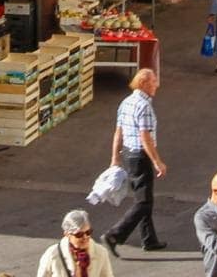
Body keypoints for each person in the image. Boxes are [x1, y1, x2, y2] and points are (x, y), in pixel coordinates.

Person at [102, 69, 168, 254]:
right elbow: (145, 137)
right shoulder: (144, 106)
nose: (157, 85)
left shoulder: (126, 102)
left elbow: (118, 132)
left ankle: (149, 239)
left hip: (128, 154)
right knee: (143, 202)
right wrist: (157, 161)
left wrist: (115, 157)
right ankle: (114, 235)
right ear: (143, 83)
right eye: (153, 81)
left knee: (143, 198)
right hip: (140, 156)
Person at [38, 209, 117, 277]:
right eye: (79, 234)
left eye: (88, 232)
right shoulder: (52, 254)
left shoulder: (100, 253)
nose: (85, 237)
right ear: (67, 234)